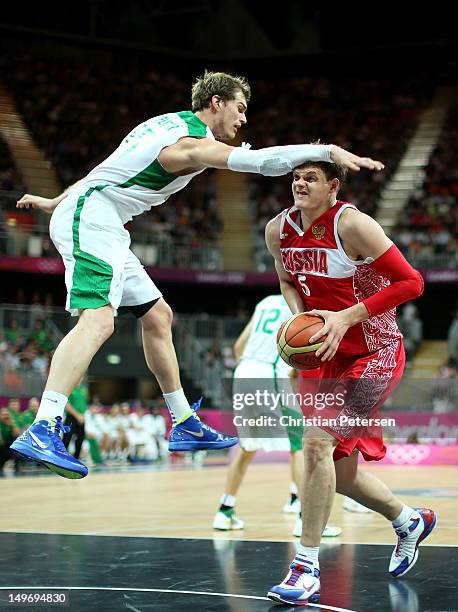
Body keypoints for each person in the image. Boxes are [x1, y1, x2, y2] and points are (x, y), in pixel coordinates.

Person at [10, 70, 383, 480]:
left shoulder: (162, 123)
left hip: (101, 218)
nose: (243, 120)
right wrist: (327, 150)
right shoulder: (186, 145)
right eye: (239, 109)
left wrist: (57, 199)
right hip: (92, 219)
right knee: (98, 321)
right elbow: (257, 162)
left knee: (158, 317)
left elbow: (105, 168)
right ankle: (43, 427)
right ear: (217, 103)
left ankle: (184, 420)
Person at [265, 160, 436, 606]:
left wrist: (346, 317)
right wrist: (298, 319)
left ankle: (305, 567)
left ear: (333, 186)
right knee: (336, 474)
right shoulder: (277, 231)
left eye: (311, 178)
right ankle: (408, 520)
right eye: (295, 177)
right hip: (324, 356)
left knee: (316, 445)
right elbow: (286, 279)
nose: (300, 183)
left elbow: (412, 282)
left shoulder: (354, 224)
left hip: (374, 352)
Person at [213, 293, 341, 539]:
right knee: (301, 445)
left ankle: (225, 510)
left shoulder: (265, 302)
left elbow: (239, 346)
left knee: (247, 445)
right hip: (269, 371)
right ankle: (306, 519)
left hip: (243, 371)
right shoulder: (302, 306)